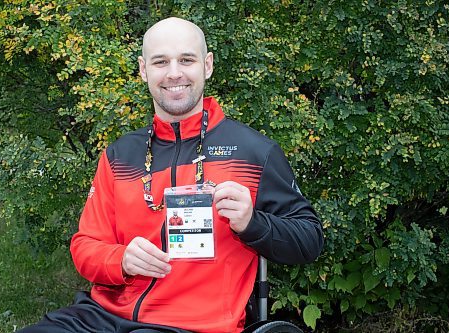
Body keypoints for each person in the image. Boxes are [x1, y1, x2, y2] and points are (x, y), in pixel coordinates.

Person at [18, 17, 323, 333]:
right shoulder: (119, 156)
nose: (174, 73)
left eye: (186, 60)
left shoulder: (253, 152)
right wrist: (119, 259)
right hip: (100, 316)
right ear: (143, 70)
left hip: (191, 324)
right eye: (161, 62)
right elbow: (85, 246)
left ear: (207, 65)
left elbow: (309, 241)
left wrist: (251, 223)